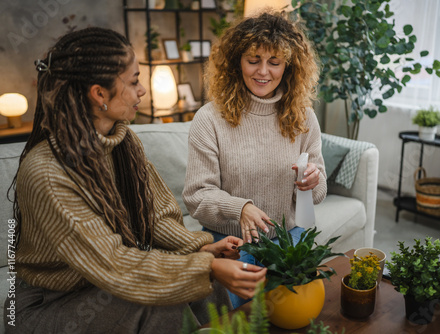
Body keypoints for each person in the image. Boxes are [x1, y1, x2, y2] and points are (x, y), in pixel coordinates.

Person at [5, 27, 266, 333]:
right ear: (99, 94)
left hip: (96, 285)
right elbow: (113, 263)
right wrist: (205, 266)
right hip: (48, 303)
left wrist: (202, 250)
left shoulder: (123, 141)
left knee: (208, 285)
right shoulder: (47, 173)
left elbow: (155, 217)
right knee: (159, 303)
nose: (142, 90)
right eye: (133, 81)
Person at [182, 10, 327, 308]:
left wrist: (311, 182)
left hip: (291, 244)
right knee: (240, 326)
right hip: (232, 248)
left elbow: (319, 191)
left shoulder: (304, 116)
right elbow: (197, 197)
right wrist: (240, 208)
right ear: (237, 62)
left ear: (288, 66)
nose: (263, 71)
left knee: (297, 319)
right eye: (253, 61)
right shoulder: (209, 119)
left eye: (274, 62)